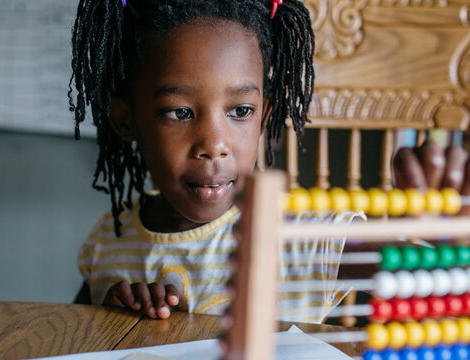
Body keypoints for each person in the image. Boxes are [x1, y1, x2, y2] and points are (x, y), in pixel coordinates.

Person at [68, 0, 470, 322]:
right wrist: (115, 317)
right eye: (180, 112)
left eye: (240, 111)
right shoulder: (111, 237)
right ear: (125, 120)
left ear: (264, 114)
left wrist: (443, 244)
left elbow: (422, 284)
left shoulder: (302, 236)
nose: (214, 144)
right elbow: (71, 331)